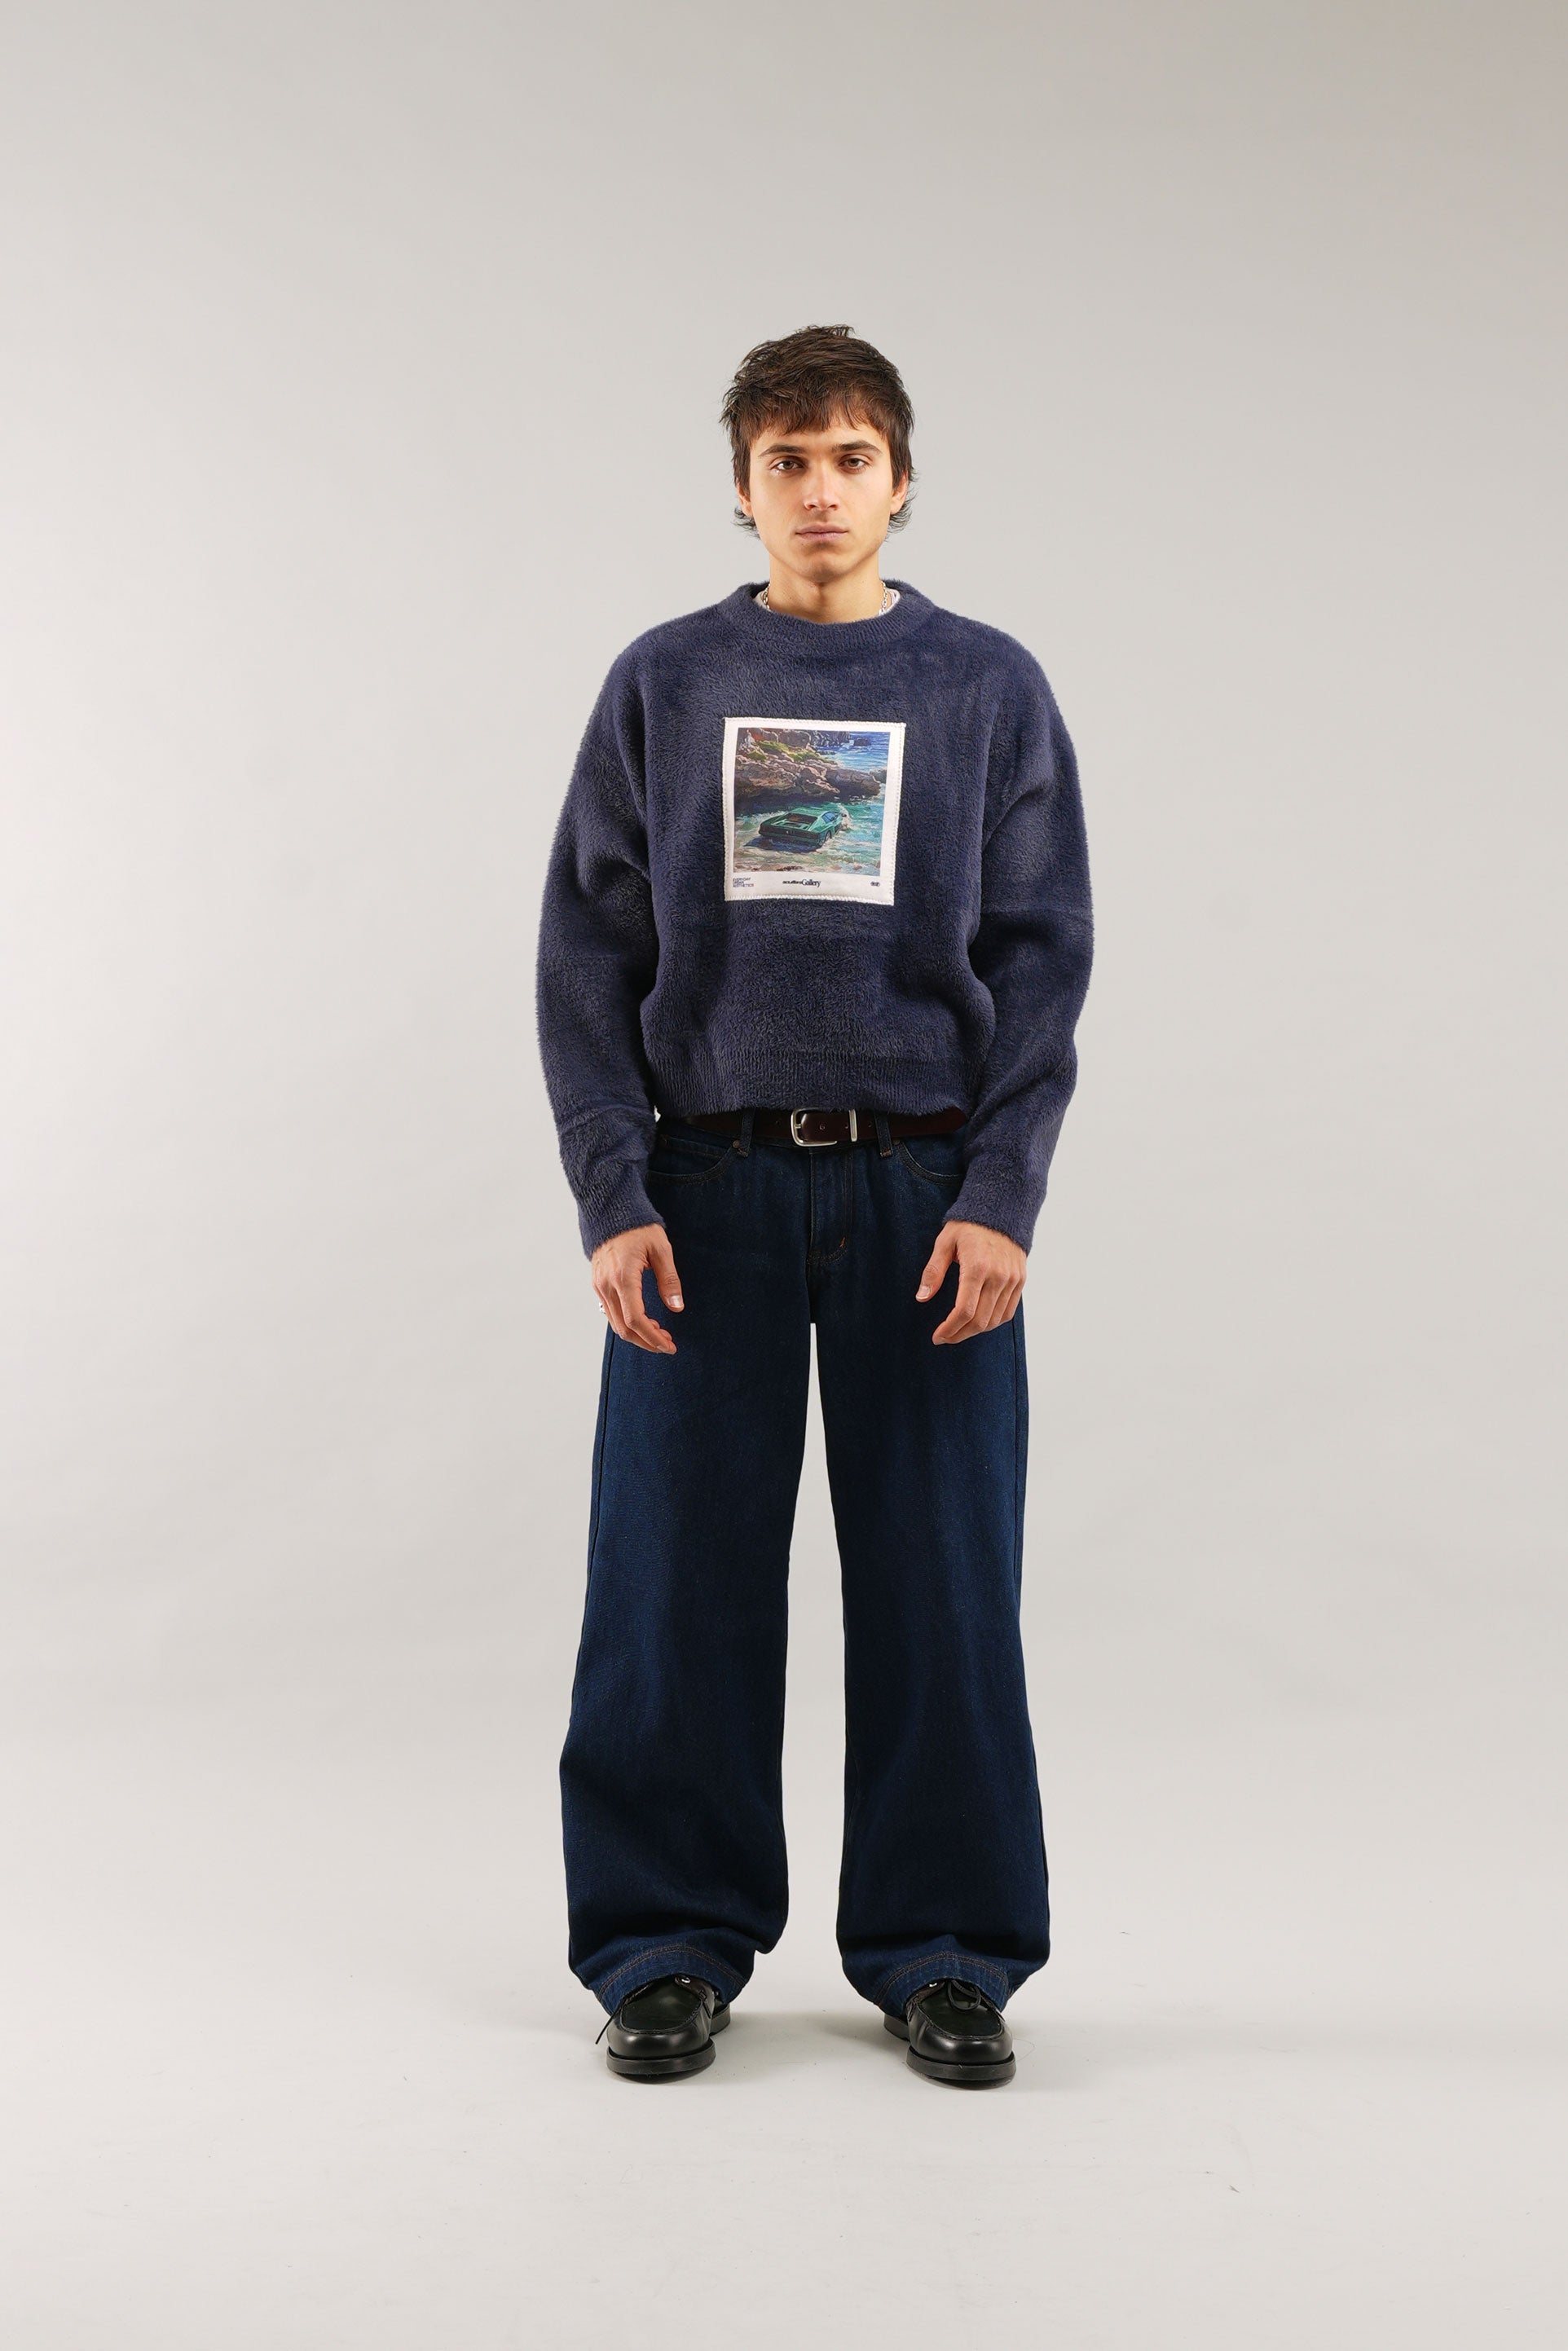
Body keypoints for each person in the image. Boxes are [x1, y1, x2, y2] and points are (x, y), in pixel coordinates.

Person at [535, 324, 1093, 2086]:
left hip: (923, 1185)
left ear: (900, 479)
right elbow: (586, 954)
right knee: (670, 1577)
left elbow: (1041, 957)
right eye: (787, 460)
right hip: (701, 1185)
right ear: (743, 488)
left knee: (942, 1578)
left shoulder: (985, 686)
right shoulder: (667, 681)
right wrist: (611, 1188)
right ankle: (663, 1944)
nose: (821, 490)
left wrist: (1001, 1191)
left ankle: (947, 1951)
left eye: (851, 456)